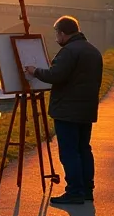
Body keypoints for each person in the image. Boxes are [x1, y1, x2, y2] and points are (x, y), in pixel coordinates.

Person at [24, 16, 104, 206]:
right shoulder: (93, 51)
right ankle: (86, 190)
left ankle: (74, 191)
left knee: (69, 152)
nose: (55, 38)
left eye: (56, 34)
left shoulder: (69, 52)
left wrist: (35, 71)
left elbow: (55, 75)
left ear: (62, 33)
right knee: (84, 149)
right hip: (86, 109)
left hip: (67, 109)